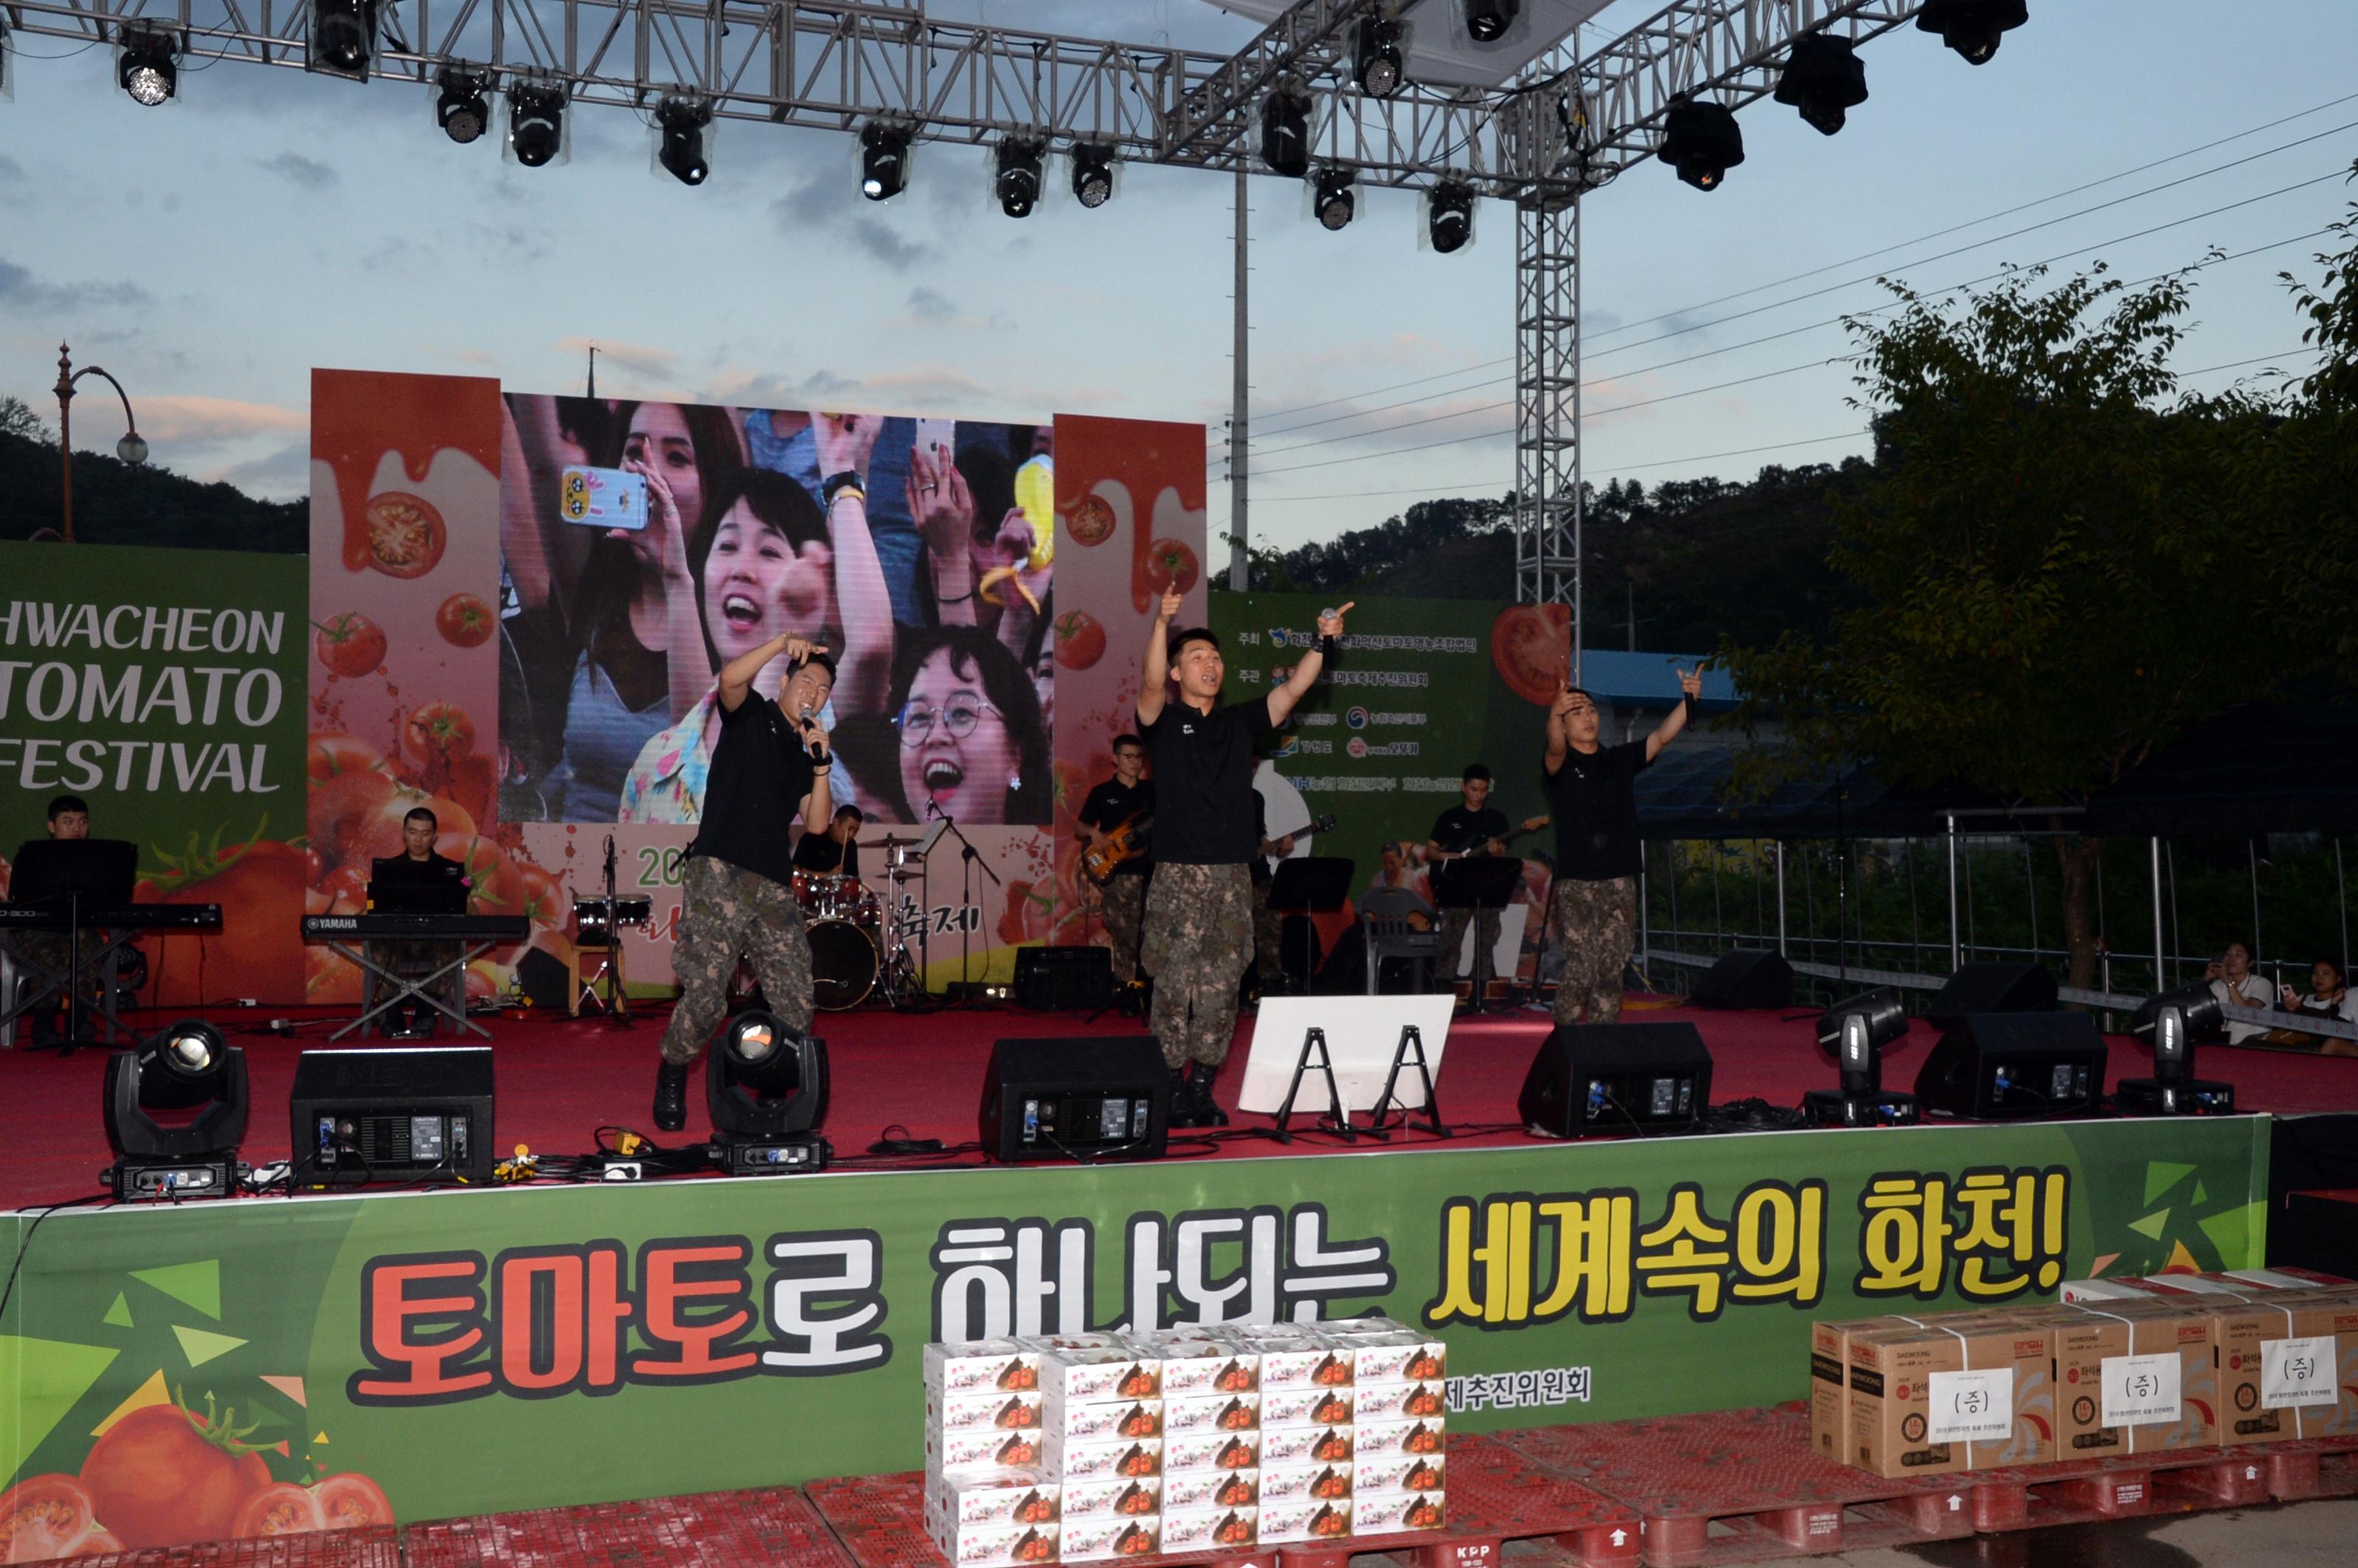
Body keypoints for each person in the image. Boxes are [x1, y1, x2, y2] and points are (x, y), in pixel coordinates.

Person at [1136, 589, 1351, 1127]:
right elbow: (1150, 683)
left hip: (1233, 877)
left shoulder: (1238, 723)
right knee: (1173, 983)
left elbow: (1295, 689)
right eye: (1197, 658)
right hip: (1178, 876)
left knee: (1221, 983)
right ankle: (1166, 1085)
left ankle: (1202, 1088)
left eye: (1215, 656)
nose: (1210, 664)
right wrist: (1162, 624)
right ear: (1179, 673)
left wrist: (1321, 642)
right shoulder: (1160, 722)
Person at [619, 457, 889, 823]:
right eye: (727, 546)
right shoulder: (656, 759)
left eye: (769, 551)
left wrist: (841, 472)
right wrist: (675, 578)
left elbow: (872, 646)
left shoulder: (829, 714)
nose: (742, 569)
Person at [654, 635, 835, 1133]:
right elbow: (730, 679)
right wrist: (780, 641)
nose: (813, 695)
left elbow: (817, 825)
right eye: (807, 682)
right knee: (707, 993)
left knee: (797, 998)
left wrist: (821, 766)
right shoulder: (751, 712)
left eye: (823, 690)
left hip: (772, 884)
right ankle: (672, 1067)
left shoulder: (803, 754)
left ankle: (772, 1078)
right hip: (720, 870)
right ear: (785, 681)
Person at [1542, 671, 1704, 1026]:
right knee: (1582, 964)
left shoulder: (1619, 760)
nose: (1587, 717)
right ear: (1565, 725)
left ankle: (1601, 1042)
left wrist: (1689, 699)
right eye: (1576, 712)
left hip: (1619, 881)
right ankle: (1565, 1035)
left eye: (1591, 711)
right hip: (1577, 885)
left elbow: (1661, 737)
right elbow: (1554, 745)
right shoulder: (1560, 764)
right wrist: (1555, 712)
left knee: (1610, 968)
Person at [367, 808, 472, 1038]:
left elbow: (466, 890)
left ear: (434, 836)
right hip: (398, 941)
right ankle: (392, 1014)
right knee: (378, 944)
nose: (418, 839)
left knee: (450, 946)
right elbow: (374, 907)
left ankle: (425, 1014)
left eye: (425, 833)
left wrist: (467, 888)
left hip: (434, 940)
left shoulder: (453, 869)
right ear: (404, 834)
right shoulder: (387, 870)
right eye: (413, 832)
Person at [12, 795, 94, 1046]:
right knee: (51, 947)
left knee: (88, 940)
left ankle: (80, 1019)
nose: (76, 828)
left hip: (75, 931)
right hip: (34, 931)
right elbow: (21, 901)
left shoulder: (98, 861)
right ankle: (44, 1021)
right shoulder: (32, 858)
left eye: (82, 822)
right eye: (67, 822)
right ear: (52, 827)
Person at [1427, 764, 1513, 1004]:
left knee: (1487, 938)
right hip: (1456, 885)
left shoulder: (1496, 819)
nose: (1479, 795)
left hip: (1487, 886)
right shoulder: (1449, 817)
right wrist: (1450, 857)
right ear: (1463, 787)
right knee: (1451, 937)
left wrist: (1497, 850)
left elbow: (1502, 852)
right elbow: (1430, 851)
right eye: (1474, 789)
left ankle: (1479, 994)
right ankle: (1443, 994)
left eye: (1484, 790)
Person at [1079, 735, 1155, 984]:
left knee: (1150, 933)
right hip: (1118, 875)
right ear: (1115, 759)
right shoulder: (1102, 793)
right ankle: (1126, 988)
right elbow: (1080, 828)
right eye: (1128, 756)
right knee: (1123, 933)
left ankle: (1148, 987)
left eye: (1138, 757)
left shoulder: (1152, 792)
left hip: (1150, 873)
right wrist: (1094, 833)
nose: (1134, 762)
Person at [1252, 794, 1296, 993]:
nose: (1252, 769)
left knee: (1270, 930)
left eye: (1255, 765)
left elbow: (1259, 838)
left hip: (1260, 875)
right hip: (1232, 874)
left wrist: (1279, 849)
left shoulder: (1256, 798)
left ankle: (1269, 987)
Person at [2278, 959, 2357, 1056]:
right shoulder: (2302, 999)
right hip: (2304, 1045)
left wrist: (2299, 1010)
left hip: (2325, 1045)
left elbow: (2335, 1029)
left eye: (2325, 974)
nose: (2319, 978)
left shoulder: (2342, 1000)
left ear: (2338, 979)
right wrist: (2289, 1010)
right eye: (2315, 973)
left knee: (2332, 1042)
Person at [2205, 939, 2275, 1046]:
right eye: (2228, 954)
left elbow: (2248, 1012)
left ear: (2251, 962)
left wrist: (2229, 983)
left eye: (2238, 955)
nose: (2231, 959)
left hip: (2252, 1046)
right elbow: (2195, 1006)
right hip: (2221, 1045)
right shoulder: (2219, 985)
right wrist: (2205, 980)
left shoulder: (2262, 984)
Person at [794, 805, 866, 878]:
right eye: (849, 829)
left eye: (856, 831)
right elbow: (797, 870)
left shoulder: (851, 845)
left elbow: (853, 878)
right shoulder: (812, 838)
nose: (852, 835)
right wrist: (828, 875)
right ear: (836, 822)